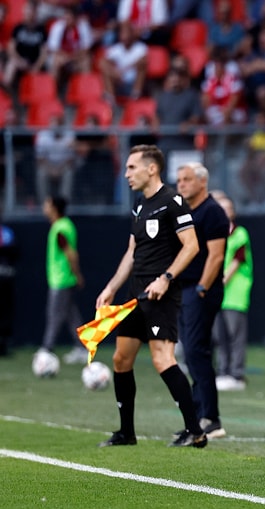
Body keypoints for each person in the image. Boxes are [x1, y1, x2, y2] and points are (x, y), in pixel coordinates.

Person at [95, 144, 206, 448]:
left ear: (151, 168)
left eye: (132, 168)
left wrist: (166, 278)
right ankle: (126, 433)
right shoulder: (139, 205)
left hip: (161, 294)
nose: (127, 173)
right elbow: (132, 251)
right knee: (121, 359)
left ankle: (195, 430)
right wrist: (111, 287)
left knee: (162, 359)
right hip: (135, 293)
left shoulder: (172, 201)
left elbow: (192, 245)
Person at [175, 162, 230, 439]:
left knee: (197, 351)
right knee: (191, 352)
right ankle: (197, 414)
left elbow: (217, 255)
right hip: (185, 290)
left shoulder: (212, 212)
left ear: (202, 182)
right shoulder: (187, 212)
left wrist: (201, 288)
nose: (181, 184)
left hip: (200, 291)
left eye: (186, 179)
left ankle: (211, 416)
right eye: (179, 180)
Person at [39, 195, 88, 364]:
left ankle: (46, 349)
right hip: (61, 278)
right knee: (71, 315)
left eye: (46, 204)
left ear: (53, 207)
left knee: (54, 315)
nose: (44, 208)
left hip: (61, 279)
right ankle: (82, 348)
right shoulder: (63, 225)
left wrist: (77, 274)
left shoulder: (61, 228)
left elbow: (71, 254)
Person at [214, 196, 253, 391]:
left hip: (234, 293)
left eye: (228, 208)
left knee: (235, 335)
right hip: (218, 295)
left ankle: (237, 374)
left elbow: (237, 260)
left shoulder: (239, 234)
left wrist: (220, 281)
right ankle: (223, 372)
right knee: (219, 336)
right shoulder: (213, 233)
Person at [0, 216, 18, 356]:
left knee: (6, 311)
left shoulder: (7, 233)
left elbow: (15, 253)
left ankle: (4, 343)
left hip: (5, 278)